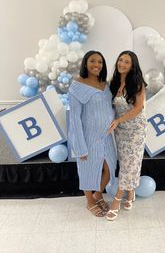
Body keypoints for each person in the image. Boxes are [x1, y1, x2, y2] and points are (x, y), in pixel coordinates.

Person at [67, 51, 117, 217]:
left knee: (109, 168)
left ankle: (98, 194)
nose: (97, 65)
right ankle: (89, 201)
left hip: (106, 136)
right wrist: (80, 146)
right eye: (93, 61)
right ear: (85, 64)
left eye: (100, 62)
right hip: (88, 136)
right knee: (88, 169)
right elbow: (74, 118)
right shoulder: (77, 86)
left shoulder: (105, 84)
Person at [107, 50, 147, 221]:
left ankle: (117, 200)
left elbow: (139, 109)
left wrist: (119, 120)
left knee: (130, 162)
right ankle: (131, 193)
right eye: (120, 60)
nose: (122, 64)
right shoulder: (113, 82)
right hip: (120, 130)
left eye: (127, 62)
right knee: (126, 162)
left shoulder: (137, 83)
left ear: (132, 66)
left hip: (135, 129)